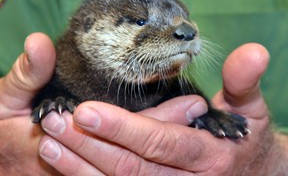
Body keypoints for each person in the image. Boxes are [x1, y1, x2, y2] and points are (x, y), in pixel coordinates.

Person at [0, 32, 287, 175]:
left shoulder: (175, 84)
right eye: (139, 22)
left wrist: (269, 161)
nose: (186, 31)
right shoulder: (67, 66)